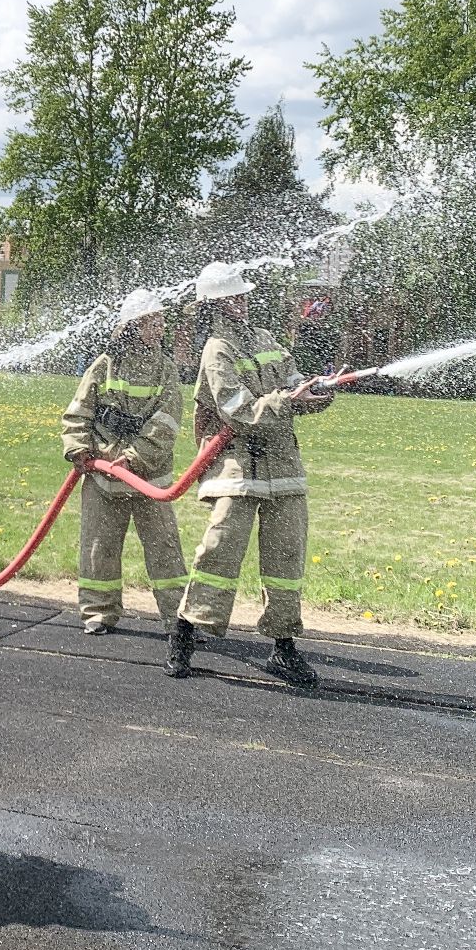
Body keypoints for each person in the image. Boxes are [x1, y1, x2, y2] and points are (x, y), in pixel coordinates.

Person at [166, 263, 336, 686]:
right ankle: (186, 631)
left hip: (284, 467)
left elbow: (294, 382)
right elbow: (237, 409)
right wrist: (288, 400)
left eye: (243, 295)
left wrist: (316, 390)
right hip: (239, 469)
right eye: (233, 296)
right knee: (219, 552)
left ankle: (283, 646)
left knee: (286, 560)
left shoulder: (265, 341)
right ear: (216, 304)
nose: (242, 301)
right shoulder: (216, 349)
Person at [61, 292, 190, 635]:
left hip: (150, 477)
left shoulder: (165, 369)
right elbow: (78, 412)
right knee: (98, 545)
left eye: (161, 320)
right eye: (152, 320)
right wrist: (78, 449)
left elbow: (167, 423)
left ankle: (177, 619)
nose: (159, 326)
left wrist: (134, 458)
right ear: (133, 326)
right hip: (102, 475)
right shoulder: (104, 365)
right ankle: (98, 612)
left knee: (164, 547)